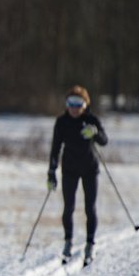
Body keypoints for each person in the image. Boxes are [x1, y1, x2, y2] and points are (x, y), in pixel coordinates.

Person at [47, 85, 108, 266]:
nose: (74, 108)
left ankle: (90, 243)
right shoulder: (62, 122)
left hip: (90, 169)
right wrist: (51, 172)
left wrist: (95, 133)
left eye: (78, 103)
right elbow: (55, 149)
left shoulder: (91, 120)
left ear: (85, 104)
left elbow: (104, 140)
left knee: (90, 208)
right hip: (70, 169)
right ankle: (68, 242)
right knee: (68, 207)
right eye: (70, 103)